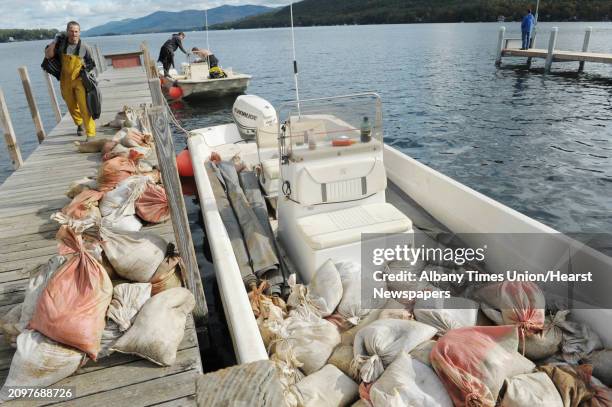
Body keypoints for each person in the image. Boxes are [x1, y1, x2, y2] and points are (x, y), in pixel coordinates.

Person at [44, 21, 97, 138]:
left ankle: (90, 134)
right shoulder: (60, 45)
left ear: (79, 32)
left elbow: (91, 64)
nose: (74, 34)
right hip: (65, 81)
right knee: (71, 106)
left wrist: (85, 72)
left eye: (76, 31)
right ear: (67, 32)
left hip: (79, 81)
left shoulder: (84, 47)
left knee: (84, 106)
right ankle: (79, 123)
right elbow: (48, 55)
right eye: (71, 31)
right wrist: (55, 40)